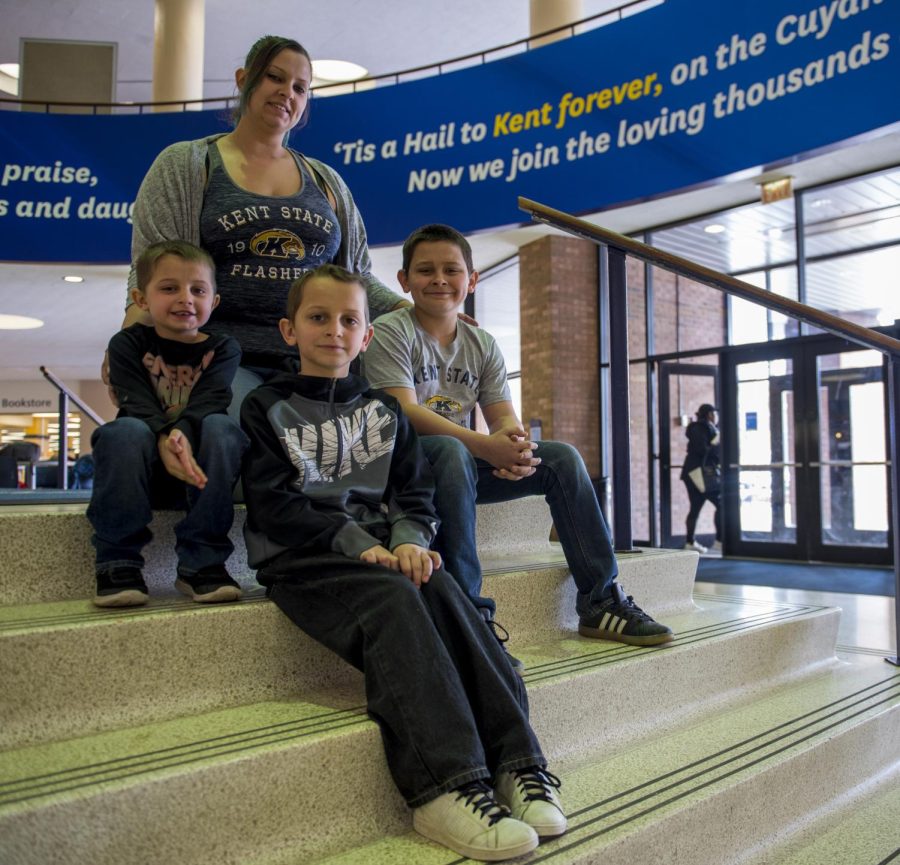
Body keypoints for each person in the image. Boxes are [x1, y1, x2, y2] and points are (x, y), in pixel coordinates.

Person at [240, 264, 566, 862]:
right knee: (393, 597)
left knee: (442, 588)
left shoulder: (385, 413)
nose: (333, 331)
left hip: (383, 550)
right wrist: (354, 542)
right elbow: (275, 503)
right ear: (290, 330)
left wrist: (413, 538)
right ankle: (444, 786)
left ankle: (519, 766)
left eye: (348, 320)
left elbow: (414, 495)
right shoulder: (266, 407)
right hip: (306, 560)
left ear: (367, 338)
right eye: (318, 317)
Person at [362, 223, 673, 660]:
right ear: (404, 281)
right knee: (452, 450)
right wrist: (484, 446)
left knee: (560, 458)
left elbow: (502, 416)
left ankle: (601, 601)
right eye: (425, 270)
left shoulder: (482, 343)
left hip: (458, 466)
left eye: (451, 270)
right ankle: (470, 614)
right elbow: (405, 413)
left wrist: (514, 447)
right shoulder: (391, 330)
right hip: (400, 470)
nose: (439, 280)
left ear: (471, 280)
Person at [114, 34, 408, 417]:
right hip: (217, 360)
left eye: (300, 87)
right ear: (243, 79)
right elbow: (151, 273)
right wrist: (124, 353)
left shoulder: (327, 182)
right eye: (274, 77)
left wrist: (413, 311)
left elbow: (358, 278)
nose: (287, 92)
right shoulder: (185, 165)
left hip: (316, 363)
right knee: (246, 428)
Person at [88, 240, 248, 607]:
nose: (186, 299)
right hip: (139, 474)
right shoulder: (126, 344)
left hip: (200, 474)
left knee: (223, 429)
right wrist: (164, 436)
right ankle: (118, 562)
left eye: (198, 290)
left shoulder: (224, 347)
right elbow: (135, 402)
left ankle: (202, 563)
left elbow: (212, 399)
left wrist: (180, 433)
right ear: (141, 299)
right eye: (169, 288)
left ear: (215, 301)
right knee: (122, 431)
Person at [680, 403, 722, 554]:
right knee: (721, 504)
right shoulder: (701, 428)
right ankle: (720, 540)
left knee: (695, 507)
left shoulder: (700, 428)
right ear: (710, 414)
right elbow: (703, 449)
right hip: (700, 474)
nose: (716, 417)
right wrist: (716, 443)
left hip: (694, 474)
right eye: (714, 413)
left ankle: (690, 542)